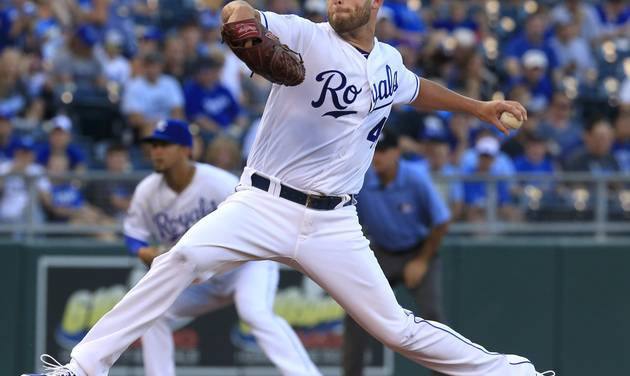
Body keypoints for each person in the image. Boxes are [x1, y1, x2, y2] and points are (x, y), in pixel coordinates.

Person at [24, 1, 555, 375]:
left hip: (334, 222)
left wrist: (480, 108)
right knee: (178, 262)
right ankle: (81, 369)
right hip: (262, 201)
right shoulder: (305, 34)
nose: (336, 2)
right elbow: (238, 12)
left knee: (395, 328)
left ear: (374, 3)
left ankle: (512, 372)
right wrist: (243, 31)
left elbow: (418, 91)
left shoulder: (389, 63)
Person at [122, 119, 320, 376]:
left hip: (245, 267)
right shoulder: (147, 191)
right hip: (198, 278)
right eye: (153, 145)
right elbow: (133, 234)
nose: (156, 151)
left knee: (255, 313)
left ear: (186, 150)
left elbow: (258, 214)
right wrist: (141, 251)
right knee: (152, 313)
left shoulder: (217, 182)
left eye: (164, 145)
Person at [343, 129, 450, 376]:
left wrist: (422, 261)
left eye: (383, 150)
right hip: (382, 252)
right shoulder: (361, 179)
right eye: (373, 150)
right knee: (356, 314)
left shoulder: (414, 178)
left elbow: (442, 221)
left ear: (396, 152)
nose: (377, 156)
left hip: (418, 250)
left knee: (433, 314)